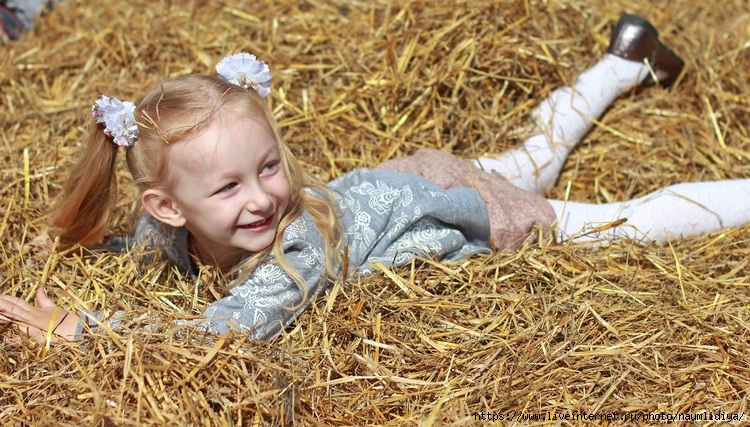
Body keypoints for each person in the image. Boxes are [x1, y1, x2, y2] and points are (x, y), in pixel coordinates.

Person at [1, 13, 749, 343]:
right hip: (415, 178)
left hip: (463, 212)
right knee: (532, 151)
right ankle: (625, 56)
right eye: (228, 188)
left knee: (623, 218)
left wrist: (84, 331)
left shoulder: (295, 247)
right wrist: (71, 246)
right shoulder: (168, 232)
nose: (262, 194)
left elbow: (216, 336)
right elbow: (137, 243)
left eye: (268, 166)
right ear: (168, 205)